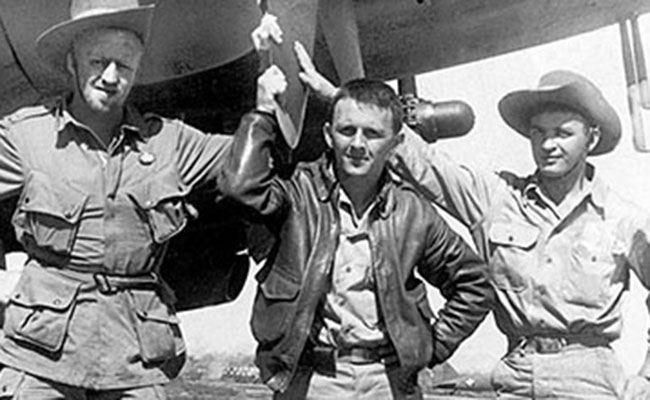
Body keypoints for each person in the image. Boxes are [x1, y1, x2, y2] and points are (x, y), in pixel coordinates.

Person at [0, 0, 271, 398]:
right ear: (73, 64)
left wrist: (268, 90)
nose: (111, 76)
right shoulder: (23, 136)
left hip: (136, 357)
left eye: (124, 66)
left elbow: (253, 161)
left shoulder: (171, 142)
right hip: (40, 358)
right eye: (98, 62)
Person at [222, 66, 494, 399]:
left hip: (387, 383)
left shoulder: (413, 213)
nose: (357, 144)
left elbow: (475, 283)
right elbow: (239, 188)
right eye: (347, 131)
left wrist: (430, 348)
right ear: (327, 135)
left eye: (373, 133)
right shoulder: (297, 193)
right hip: (310, 381)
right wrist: (263, 113)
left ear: (394, 143)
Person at [392, 71, 650, 399]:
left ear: (592, 138)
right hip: (515, 375)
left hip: (591, 381)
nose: (548, 145)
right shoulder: (497, 199)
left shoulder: (622, 218)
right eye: (538, 133)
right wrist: (346, 104)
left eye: (563, 133)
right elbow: (427, 164)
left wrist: (647, 376)